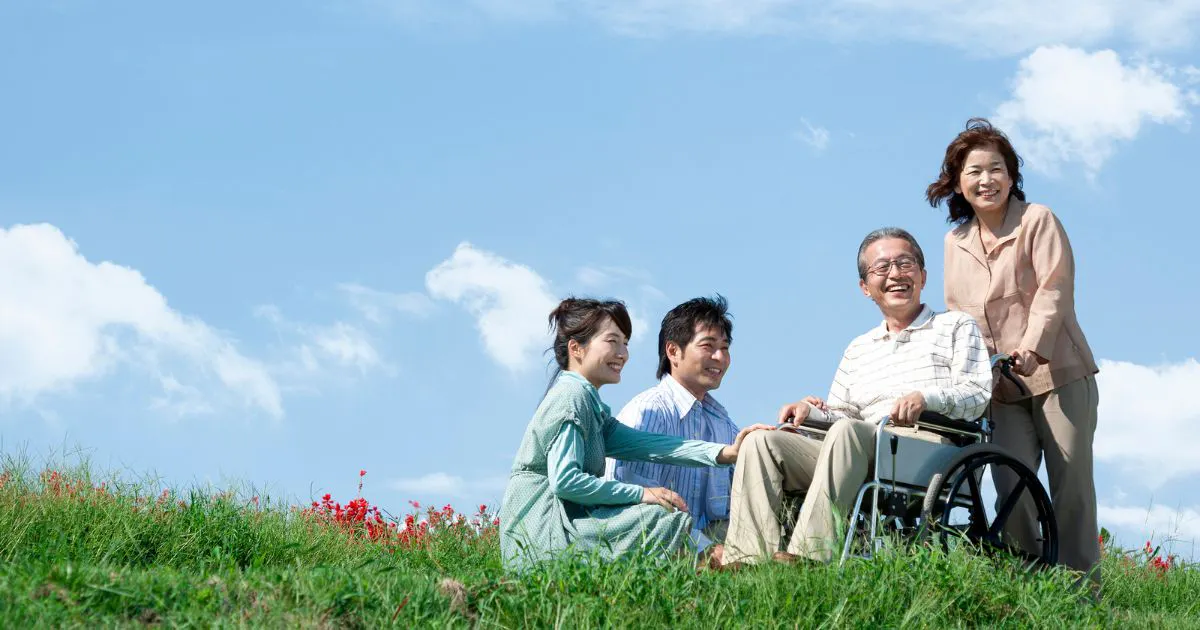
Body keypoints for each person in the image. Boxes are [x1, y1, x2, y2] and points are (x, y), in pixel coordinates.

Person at [718, 228, 992, 566]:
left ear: (922, 276)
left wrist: (926, 398)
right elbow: (842, 413)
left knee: (849, 432)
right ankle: (746, 560)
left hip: (927, 449)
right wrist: (811, 412)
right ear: (865, 288)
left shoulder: (956, 326)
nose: (895, 274)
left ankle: (808, 556)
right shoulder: (859, 347)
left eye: (905, 264)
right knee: (761, 442)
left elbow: (977, 393)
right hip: (859, 447)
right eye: (882, 268)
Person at [926, 117, 1101, 585]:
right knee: (1011, 489)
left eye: (996, 168)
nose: (986, 180)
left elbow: (1055, 289)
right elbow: (957, 315)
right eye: (974, 172)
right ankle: (1029, 587)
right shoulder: (954, 241)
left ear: (1011, 174)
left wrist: (1031, 348)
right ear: (958, 184)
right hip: (999, 388)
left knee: (1071, 488)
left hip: (1058, 373)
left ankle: (1083, 594)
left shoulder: (1037, 219)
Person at [498, 297, 770, 570]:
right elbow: (566, 481)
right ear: (576, 348)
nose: (623, 354)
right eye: (612, 341)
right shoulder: (571, 397)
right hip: (543, 530)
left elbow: (653, 445)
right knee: (654, 517)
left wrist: (724, 452)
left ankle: (726, 563)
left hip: (564, 520)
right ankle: (723, 564)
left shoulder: (590, 403)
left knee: (660, 518)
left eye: (625, 343)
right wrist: (643, 493)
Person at [605, 296, 739, 549]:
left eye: (725, 347)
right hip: (656, 553)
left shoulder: (723, 423)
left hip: (711, 552)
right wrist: (705, 550)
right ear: (673, 351)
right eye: (708, 346)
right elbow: (636, 511)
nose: (720, 357)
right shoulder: (650, 411)